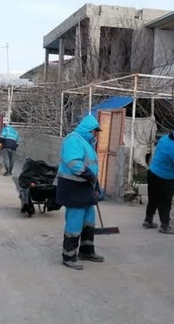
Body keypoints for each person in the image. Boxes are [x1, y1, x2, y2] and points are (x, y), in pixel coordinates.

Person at [57, 115, 104, 270]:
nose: (95, 134)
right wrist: (89, 175)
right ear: (87, 129)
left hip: (85, 187)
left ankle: (86, 251)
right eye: (94, 131)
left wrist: (95, 185)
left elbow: (90, 165)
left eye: (96, 131)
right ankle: (69, 256)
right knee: (75, 222)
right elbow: (73, 162)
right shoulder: (74, 139)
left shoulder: (87, 143)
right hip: (73, 188)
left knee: (89, 220)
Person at [143, 124, 174, 234]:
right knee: (165, 201)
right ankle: (165, 225)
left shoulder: (164, 139)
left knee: (153, 198)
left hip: (153, 172)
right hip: (167, 178)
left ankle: (148, 220)